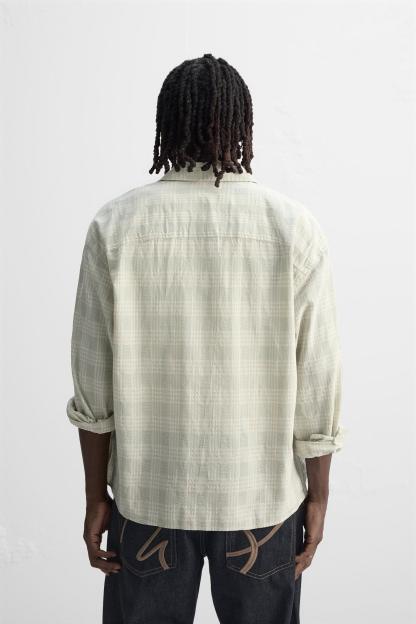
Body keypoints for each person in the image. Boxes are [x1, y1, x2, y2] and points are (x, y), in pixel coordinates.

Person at [66, 53, 345, 624]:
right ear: (242, 124)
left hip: (149, 500)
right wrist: (318, 496)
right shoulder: (293, 229)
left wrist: (96, 495)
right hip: (261, 503)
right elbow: (319, 381)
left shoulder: (115, 227)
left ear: (167, 124)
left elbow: (93, 387)